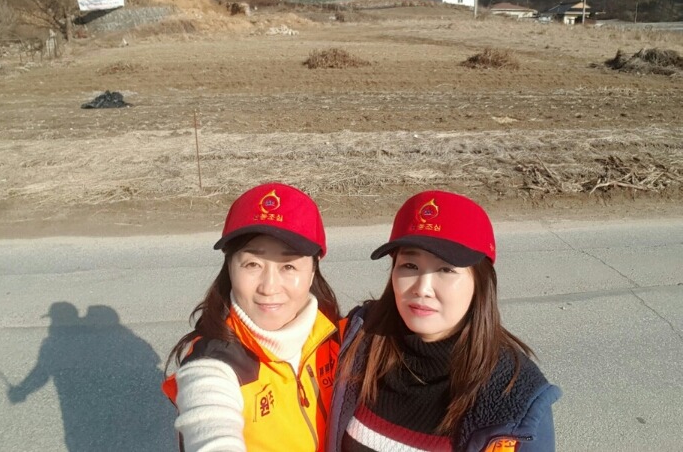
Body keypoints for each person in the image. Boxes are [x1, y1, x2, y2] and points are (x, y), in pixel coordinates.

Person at [327, 190, 561, 452]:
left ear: (480, 282)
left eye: (445, 269)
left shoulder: (515, 398)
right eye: (410, 266)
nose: (422, 288)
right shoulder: (358, 340)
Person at [163, 182, 341, 452]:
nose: (269, 287)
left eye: (288, 266)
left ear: (313, 271)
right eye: (252, 264)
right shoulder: (213, 364)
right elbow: (211, 430)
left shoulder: (342, 337)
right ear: (230, 267)